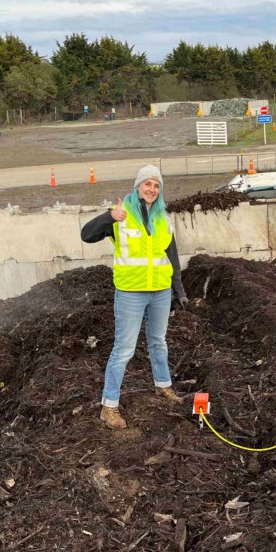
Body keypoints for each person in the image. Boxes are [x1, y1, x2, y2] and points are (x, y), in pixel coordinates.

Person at [81, 165, 188, 429]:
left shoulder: (163, 217)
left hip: (160, 291)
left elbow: (171, 255)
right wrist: (109, 216)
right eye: (147, 184)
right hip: (131, 293)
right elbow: (87, 234)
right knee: (124, 349)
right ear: (137, 186)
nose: (151, 189)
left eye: (156, 185)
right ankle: (109, 406)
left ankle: (163, 387)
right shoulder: (122, 215)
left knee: (158, 342)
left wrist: (178, 289)